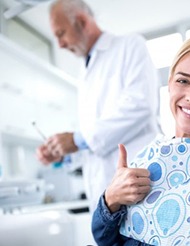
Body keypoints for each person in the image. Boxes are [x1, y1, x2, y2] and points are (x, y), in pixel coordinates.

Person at [90, 36, 190, 246]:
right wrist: (111, 198)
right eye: (183, 81)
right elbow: (103, 239)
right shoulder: (152, 154)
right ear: (169, 85)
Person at [36, 0, 161, 214]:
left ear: (82, 22)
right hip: (104, 195)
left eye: (61, 33)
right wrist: (63, 152)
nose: (60, 44)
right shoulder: (84, 72)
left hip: (137, 186)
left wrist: (75, 140)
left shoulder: (130, 46)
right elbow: (95, 139)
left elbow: (140, 105)